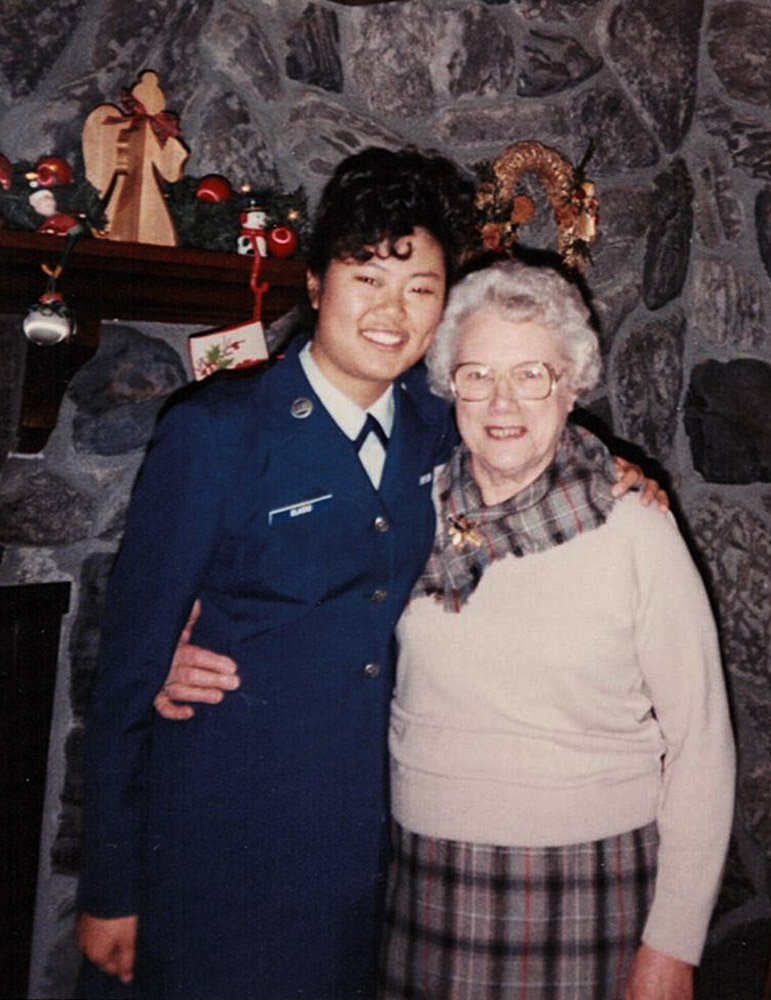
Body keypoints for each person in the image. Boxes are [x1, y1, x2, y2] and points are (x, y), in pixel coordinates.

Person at [76, 146, 663, 1000]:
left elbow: (531, 428)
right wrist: (111, 886)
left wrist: (614, 468)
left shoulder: (439, 421)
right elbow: (127, 679)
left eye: (420, 287)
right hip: (216, 838)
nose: (394, 311)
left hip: (365, 842)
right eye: (367, 277)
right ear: (315, 284)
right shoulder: (218, 433)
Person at [377, 261, 735, 1000]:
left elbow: (700, 740)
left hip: (591, 884)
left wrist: (673, 942)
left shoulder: (636, 526)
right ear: (449, 387)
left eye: (531, 374)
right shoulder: (408, 509)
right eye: (476, 375)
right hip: (424, 880)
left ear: (571, 385)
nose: (501, 401)